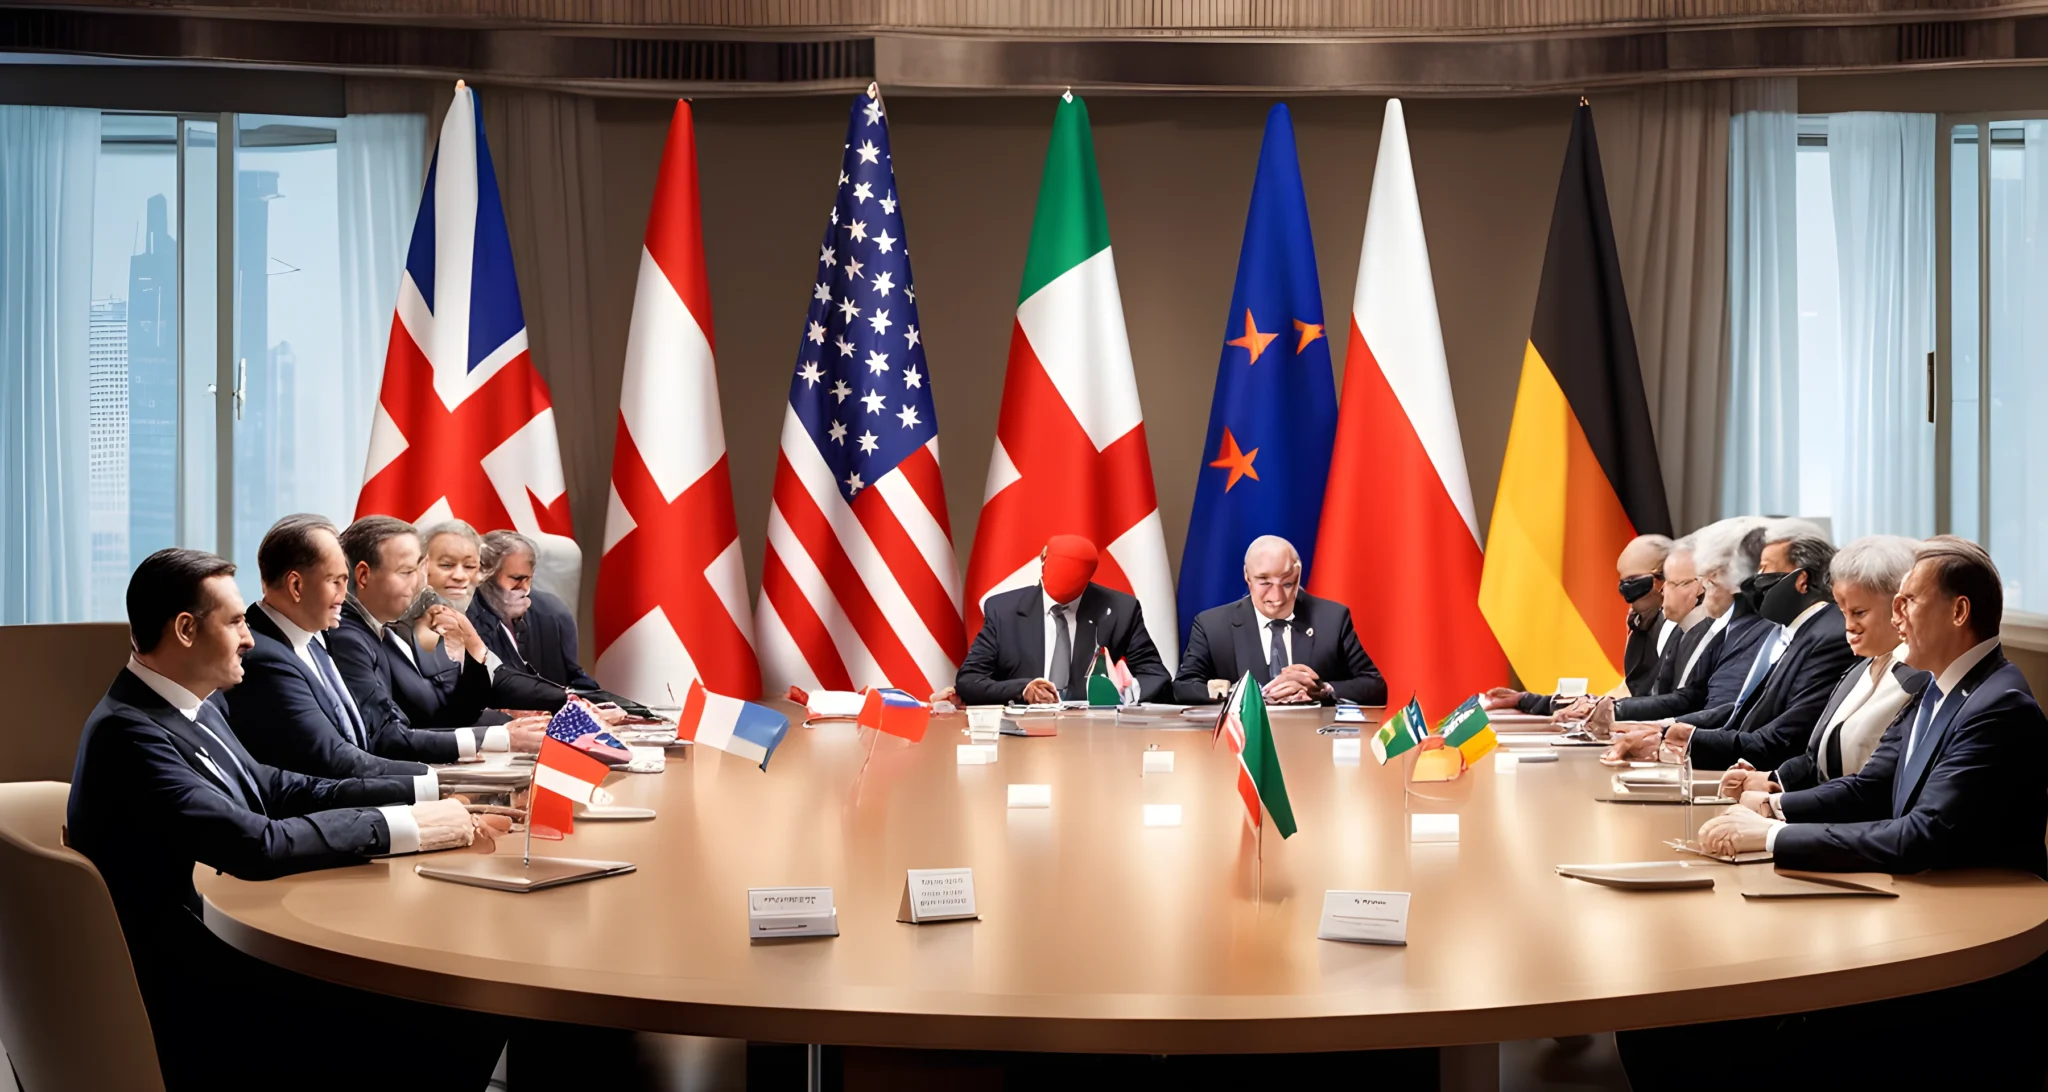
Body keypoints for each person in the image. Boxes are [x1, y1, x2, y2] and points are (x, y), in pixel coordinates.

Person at [66, 549, 510, 1090]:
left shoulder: (191, 702)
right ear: (185, 630)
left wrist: (422, 796)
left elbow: (274, 787)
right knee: (462, 1003)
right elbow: (257, 844)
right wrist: (411, 830)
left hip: (233, 944)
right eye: (233, 622)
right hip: (205, 992)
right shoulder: (129, 733)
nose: (250, 636)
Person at [1623, 538, 2048, 1086]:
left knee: (1678, 1029)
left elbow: (1921, 835)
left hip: (1962, 972)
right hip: (1916, 911)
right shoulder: (1941, 687)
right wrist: (1772, 806)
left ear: (1959, 612)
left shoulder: (1998, 704)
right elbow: (1869, 787)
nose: (1896, 615)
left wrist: (1770, 839)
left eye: (1908, 601)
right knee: (1665, 1018)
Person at [1604, 519, 1854, 770]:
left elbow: (1779, 740)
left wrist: (1670, 739)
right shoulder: (1784, 630)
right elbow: (1733, 711)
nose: (1756, 580)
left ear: (1801, 580)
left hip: (1758, 780)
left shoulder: (1825, 636)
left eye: (1764, 569)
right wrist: (1660, 730)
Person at [224, 513, 444, 787]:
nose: (345, 593)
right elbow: (333, 758)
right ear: (296, 585)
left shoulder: (313, 639)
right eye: (335, 581)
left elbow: (365, 737)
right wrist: (436, 781)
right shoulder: (264, 657)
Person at [1717, 535, 1924, 798]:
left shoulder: (1916, 677)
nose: (1848, 625)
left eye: (1859, 612)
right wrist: (1772, 778)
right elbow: (1819, 758)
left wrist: (1778, 803)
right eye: (1843, 611)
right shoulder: (1860, 668)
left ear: (1899, 607)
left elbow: (1871, 784)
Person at [327, 515, 545, 755]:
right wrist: (501, 737)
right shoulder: (348, 638)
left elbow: (450, 714)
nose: (420, 582)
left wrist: (474, 650)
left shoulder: (385, 630)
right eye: (408, 571)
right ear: (363, 576)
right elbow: (384, 738)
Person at [955, 534, 1172, 705]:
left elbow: (1155, 676)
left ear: (1089, 575)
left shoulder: (1119, 609)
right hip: (1024, 731)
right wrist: (1023, 689)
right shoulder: (1004, 610)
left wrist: (1123, 695)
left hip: (1096, 732)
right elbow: (969, 680)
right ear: (1043, 558)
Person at [1172, 535, 1387, 705]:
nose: (1277, 598)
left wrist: (1323, 690)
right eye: (1264, 582)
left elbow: (1375, 686)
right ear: (1247, 576)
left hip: (1312, 743)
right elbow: (1182, 687)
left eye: (1287, 584)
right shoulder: (1212, 626)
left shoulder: (1332, 619)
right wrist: (1233, 692)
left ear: (1299, 575)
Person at [1482, 533, 1673, 714]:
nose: (1625, 590)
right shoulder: (1641, 622)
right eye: (1622, 581)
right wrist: (1529, 700)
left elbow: (1665, 704)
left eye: (1633, 580)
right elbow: (1621, 698)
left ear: (1666, 580)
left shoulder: (1683, 631)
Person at [468, 529, 616, 711]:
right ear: (486, 574)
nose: (525, 588)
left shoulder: (553, 613)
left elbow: (573, 676)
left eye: (529, 579)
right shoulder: (463, 618)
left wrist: (604, 706)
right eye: (517, 579)